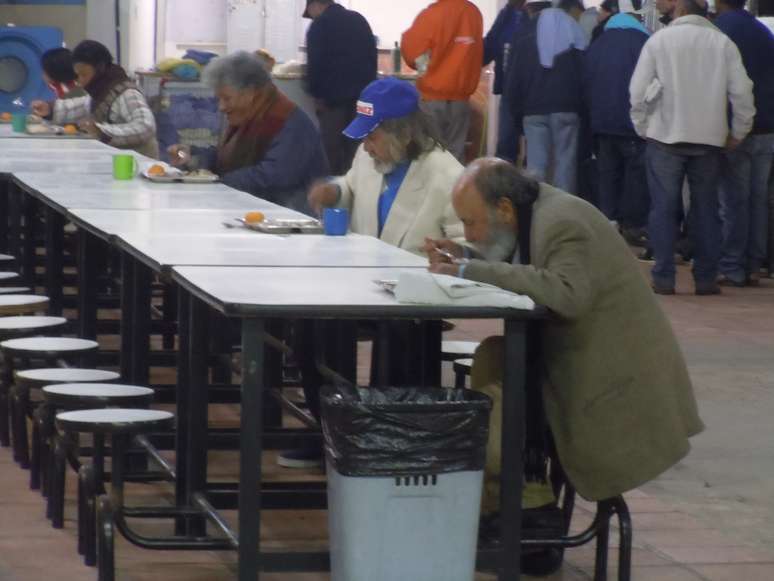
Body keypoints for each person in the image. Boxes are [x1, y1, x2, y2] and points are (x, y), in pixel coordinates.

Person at [425, 157, 704, 573]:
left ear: (504, 208)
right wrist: (465, 254)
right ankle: (522, 503)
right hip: (581, 366)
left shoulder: (562, 221)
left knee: (491, 412)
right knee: (493, 357)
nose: (470, 233)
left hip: (613, 391)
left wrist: (469, 268)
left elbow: (566, 292)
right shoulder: (530, 213)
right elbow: (525, 266)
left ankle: (528, 518)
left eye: (471, 223)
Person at [629, 0, 755, 295]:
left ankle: (663, 277)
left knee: (663, 208)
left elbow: (637, 90)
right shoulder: (723, 43)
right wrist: (738, 131)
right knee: (706, 209)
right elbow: (743, 92)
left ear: (680, 12)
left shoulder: (659, 40)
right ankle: (706, 278)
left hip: (664, 138)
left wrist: (642, 126)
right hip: (709, 140)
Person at [307, 77, 464, 255]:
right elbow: (351, 187)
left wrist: (448, 255)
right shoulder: (366, 157)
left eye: (372, 138)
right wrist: (334, 192)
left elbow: (466, 247)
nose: (365, 147)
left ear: (404, 134)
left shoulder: (449, 176)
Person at [168, 51, 328, 213]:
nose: (221, 107)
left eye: (227, 98)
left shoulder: (288, 123)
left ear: (251, 93)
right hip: (255, 210)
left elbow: (272, 177)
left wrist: (218, 182)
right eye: (219, 99)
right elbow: (224, 158)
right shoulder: (250, 116)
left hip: (290, 215)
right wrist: (192, 158)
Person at [714, 0, 774, 287]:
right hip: (768, 127)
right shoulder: (763, 31)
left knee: (734, 199)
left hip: (737, 128)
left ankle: (732, 265)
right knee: (758, 198)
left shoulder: (720, 31)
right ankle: (753, 264)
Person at [583, 0, 650, 244]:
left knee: (607, 173)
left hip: (601, 123)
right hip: (632, 124)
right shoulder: (644, 43)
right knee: (634, 176)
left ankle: (608, 221)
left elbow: (586, 82)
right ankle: (632, 225)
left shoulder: (598, 43)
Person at [504, 1, 587, 194]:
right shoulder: (573, 29)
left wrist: (517, 117)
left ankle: (536, 214)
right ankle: (565, 217)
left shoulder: (524, 34)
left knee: (536, 170)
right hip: (567, 108)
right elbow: (586, 74)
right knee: (565, 166)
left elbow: (513, 80)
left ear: (531, 10)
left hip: (533, 110)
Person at [31, 40, 158, 158]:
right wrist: (50, 109)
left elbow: (146, 127)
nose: (79, 81)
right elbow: (82, 106)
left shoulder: (127, 92)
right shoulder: (102, 91)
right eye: (77, 76)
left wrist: (102, 131)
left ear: (100, 68)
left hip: (141, 162)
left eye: (84, 75)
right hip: (122, 161)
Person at [401, 0, 484, 163]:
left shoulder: (432, 14)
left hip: (431, 97)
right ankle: (454, 188)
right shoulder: (473, 14)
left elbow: (412, 51)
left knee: (427, 155)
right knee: (455, 156)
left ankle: (431, 189)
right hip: (461, 100)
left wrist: (424, 64)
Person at [303, 0, 377, 175]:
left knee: (331, 152)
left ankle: (335, 194)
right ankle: (358, 191)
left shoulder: (319, 25)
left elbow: (315, 64)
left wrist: (315, 93)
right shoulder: (359, 20)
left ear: (315, 5)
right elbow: (372, 57)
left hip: (332, 101)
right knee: (360, 150)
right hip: (361, 99)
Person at [483, 0, 527, 163]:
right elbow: (490, 45)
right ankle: (504, 185)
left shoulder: (535, 13)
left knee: (533, 148)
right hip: (508, 88)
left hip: (529, 89)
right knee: (506, 147)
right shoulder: (506, 15)